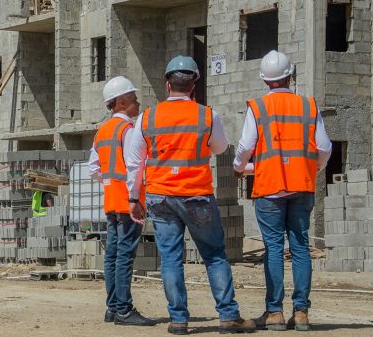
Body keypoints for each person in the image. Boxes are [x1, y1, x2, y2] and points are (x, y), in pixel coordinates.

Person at [125, 56, 256, 335]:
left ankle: (178, 320)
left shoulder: (148, 117)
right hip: (197, 196)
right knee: (215, 255)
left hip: (160, 197)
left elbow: (135, 162)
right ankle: (228, 317)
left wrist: (134, 197)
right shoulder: (207, 115)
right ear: (194, 84)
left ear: (167, 83)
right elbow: (220, 148)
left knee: (171, 259)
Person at [233, 50, 331, 332]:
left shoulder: (258, 107)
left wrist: (240, 167)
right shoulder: (308, 106)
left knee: (274, 249)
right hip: (302, 185)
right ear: (291, 75)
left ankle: (274, 313)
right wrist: (312, 170)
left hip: (269, 189)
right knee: (300, 247)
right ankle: (301, 313)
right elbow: (324, 148)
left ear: (265, 80)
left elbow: (245, 146)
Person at [89, 76, 154, 326]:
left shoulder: (102, 131)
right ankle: (124, 310)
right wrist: (134, 197)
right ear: (122, 101)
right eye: (134, 99)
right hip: (129, 203)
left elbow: (94, 169)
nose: (137, 104)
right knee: (125, 256)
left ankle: (113, 308)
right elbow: (134, 166)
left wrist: (110, 182)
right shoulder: (127, 130)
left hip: (111, 202)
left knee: (113, 256)